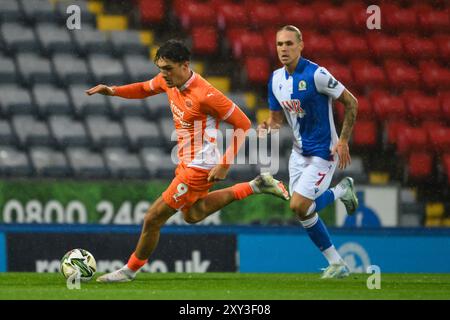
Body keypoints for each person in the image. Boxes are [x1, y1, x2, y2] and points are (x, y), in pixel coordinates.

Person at [86, 39, 290, 282]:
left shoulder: (206, 94)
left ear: (185, 65)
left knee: (153, 218)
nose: (164, 75)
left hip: (199, 167)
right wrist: (113, 90)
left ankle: (129, 271)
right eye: (161, 69)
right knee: (193, 214)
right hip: (186, 162)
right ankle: (255, 185)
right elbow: (143, 89)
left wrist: (225, 162)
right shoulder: (167, 80)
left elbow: (243, 123)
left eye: (169, 69)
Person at [257, 25, 359, 279]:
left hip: (323, 153)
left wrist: (344, 140)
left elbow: (351, 102)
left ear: (301, 46)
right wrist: (268, 126)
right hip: (298, 153)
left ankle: (339, 192)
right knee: (301, 210)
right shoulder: (276, 79)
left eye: (289, 44)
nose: (284, 49)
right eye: (280, 44)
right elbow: (276, 119)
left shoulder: (317, 74)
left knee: (299, 204)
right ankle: (337, 263)